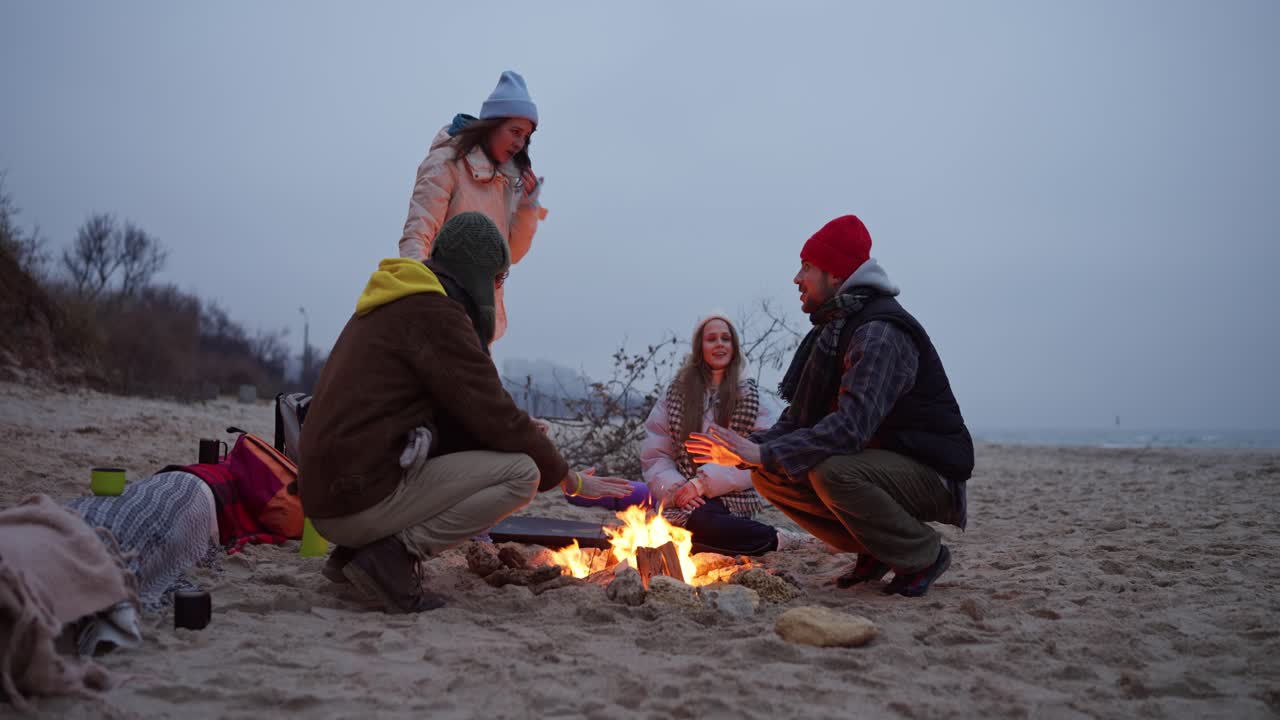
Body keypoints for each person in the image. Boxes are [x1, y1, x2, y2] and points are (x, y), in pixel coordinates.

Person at [299, 212, 631, 613]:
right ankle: (392, 556)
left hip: (330, 497)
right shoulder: (434, 314)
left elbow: (460, 415)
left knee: (512, 455)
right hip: (354, 499)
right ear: (480, 274)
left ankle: (357, 555)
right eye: (498, 279)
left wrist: (516, 429)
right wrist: (569, 478)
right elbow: (491, 410)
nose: (497, 290)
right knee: (524, 474)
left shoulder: (395, 301)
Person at [686, 215, 973, 597]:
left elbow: (851, 427)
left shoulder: (879, 332)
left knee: (830, 471)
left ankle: (921, 553)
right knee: (767, 472)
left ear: (835, 275)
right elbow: (798, 422)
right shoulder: (835, 328)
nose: (796, 278)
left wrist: (763, 451)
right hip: (880, 465)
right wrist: (745, 453)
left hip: (931, 475)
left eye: (806, 267)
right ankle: (877, 549)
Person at [641, 313, 812, 555]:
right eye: (711, 339)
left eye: (726, 338)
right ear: (700, 347)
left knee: (701, 523)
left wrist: (701, 484)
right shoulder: (674, 394)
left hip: (733, 496)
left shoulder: (754, 398)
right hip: (680, 494)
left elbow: (758, 458)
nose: (720, 344)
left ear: (734, 347)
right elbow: (655, 453)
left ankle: (778, 539)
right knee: (662, 531)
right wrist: (677, 489)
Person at [398, 70, 546, 341]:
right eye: (514, 131)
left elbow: (507, 256)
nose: (519, 143)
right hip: (440, 316)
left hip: (481, 323)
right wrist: (426, 305)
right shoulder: (446, 164)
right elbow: (416, 238)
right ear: (491, 125)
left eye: (525, 136)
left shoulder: (506, 182)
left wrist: (527, 209)